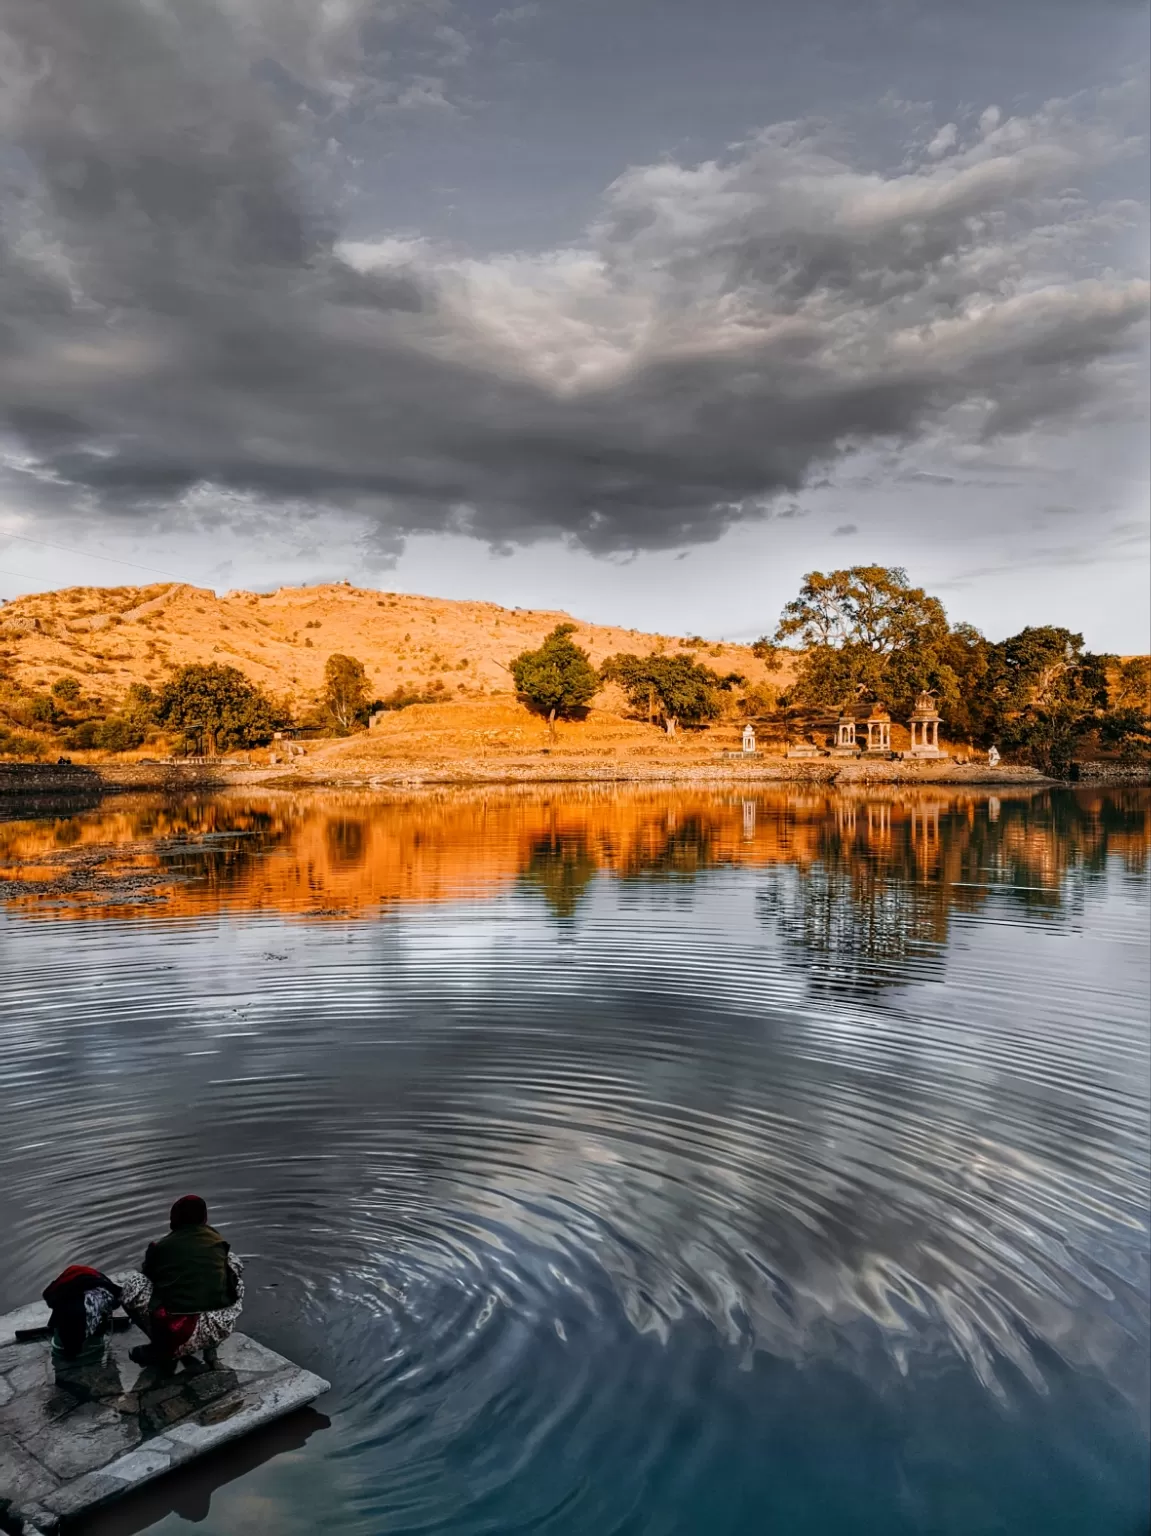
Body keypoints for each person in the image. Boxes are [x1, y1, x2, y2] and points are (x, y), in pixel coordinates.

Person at [120, 1195, 245, 1372]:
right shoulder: (216, 1239)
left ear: (174, 1219)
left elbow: (150, 1276)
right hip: (219, 1326)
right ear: (205, 1218)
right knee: (232, 1266)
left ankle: (162, 1347)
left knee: (134, 1284)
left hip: (181, 1332)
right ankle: (210, 1355)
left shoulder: (162, 1247)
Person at [43, 1265, 122, 1366]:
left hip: (85, 1281)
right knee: (76, 1316)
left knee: (77, 1314)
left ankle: (73, 1345)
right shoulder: (78, 1306)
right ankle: (75, 1345)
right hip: (82, 1283)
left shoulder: (103, 1295)